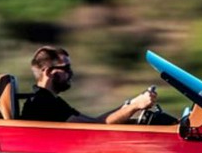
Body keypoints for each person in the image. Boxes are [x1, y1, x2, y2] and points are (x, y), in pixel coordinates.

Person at [20, 45, 158, 124]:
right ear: (49, 72)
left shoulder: (51, 100)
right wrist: (135, 106)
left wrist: (129, 104)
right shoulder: (43, 103)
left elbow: (94, 121)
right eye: (66, 69)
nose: (71, 74)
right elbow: (98, 127)